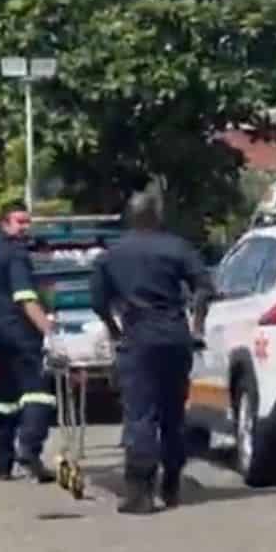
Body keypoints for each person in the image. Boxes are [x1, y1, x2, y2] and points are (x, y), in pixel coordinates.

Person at [90, 185, 214, 514]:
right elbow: (204, 287)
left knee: (140, 414)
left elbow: (98, 301)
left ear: (130, 218)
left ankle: (140, 491)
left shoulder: (112, 255)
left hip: (138, 338)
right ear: (157, 216)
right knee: (173, 411)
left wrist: (114, 330)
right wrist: (197, 325)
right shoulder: (177, 247)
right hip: (175, 336)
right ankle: (171, 480)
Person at [0, 201, 57, 482]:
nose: (25, 227)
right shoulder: (17, 255)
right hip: (20, 336)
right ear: (4, 223)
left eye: (27, 221)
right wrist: (50, 333)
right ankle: (29, 449)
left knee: (2, 400)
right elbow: (26, 299)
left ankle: (3, 465)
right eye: (19, 222)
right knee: (37, 393)